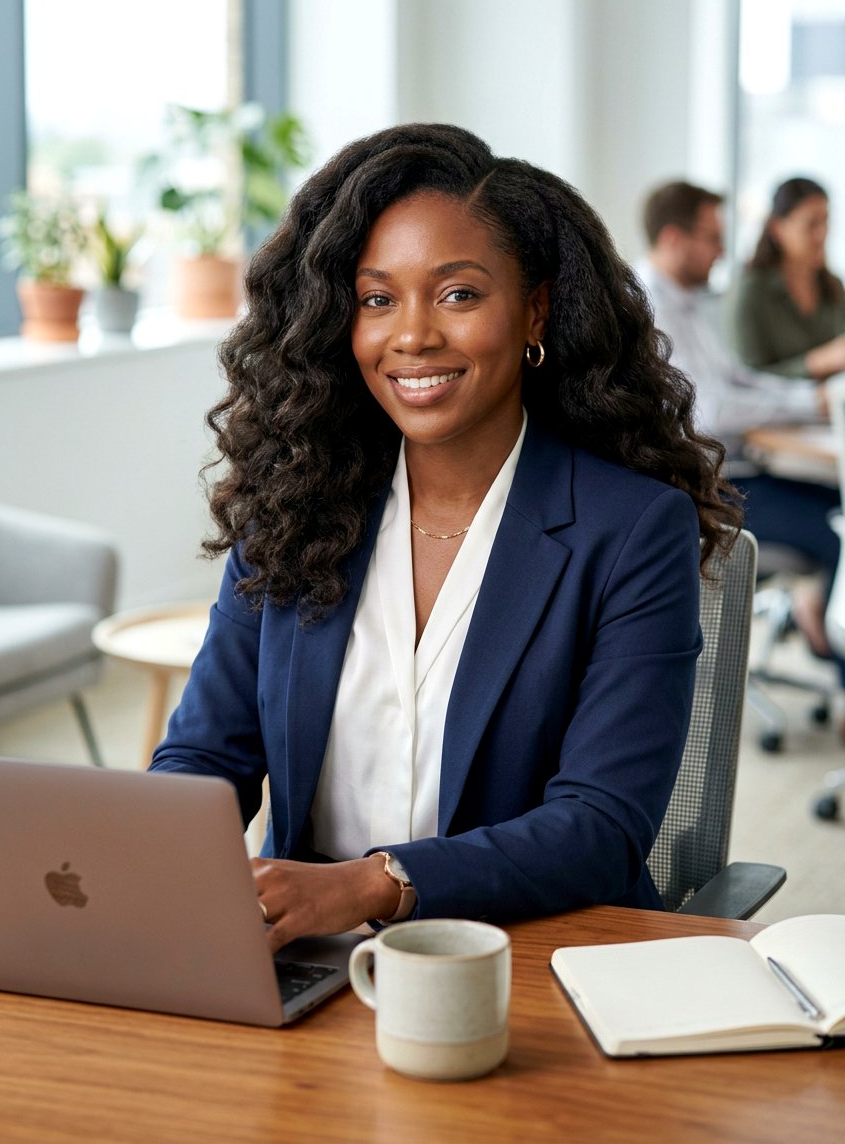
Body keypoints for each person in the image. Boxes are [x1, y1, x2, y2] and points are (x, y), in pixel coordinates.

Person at [150, 126, 739, 950]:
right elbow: (204, 757)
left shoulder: (632, 530)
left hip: (522, 954)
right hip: (302, 956)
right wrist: (158, 860)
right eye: (376, 299)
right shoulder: (295, 509)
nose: (413, 335)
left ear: (535, 307)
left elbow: (600, 826)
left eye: (458, 294)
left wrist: (372, 885)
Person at [636, 179, 839, 662]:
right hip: (705, 491)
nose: (723, 250)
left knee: (837, 503)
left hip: (736, 473)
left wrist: (816, 397)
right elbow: (716, 410)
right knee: (839, 530)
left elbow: (739, 380)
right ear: (672, 240)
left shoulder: (688, 302)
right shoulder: (651, 309)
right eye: (712, 236)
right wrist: (815, 402)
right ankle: (837, 667)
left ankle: (822, 622)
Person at [729, 177, 845, 379]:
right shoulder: (751, 291)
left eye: (826, 221)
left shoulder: (833, 284)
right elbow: (746, 382)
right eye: (811, 224)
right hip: (782, 410)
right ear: (777, 227)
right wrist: (819, 362)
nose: (822, 234)